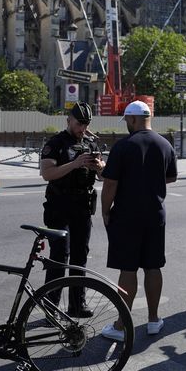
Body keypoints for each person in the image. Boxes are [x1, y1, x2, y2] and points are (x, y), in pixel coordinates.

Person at [98, 100, 177, 342]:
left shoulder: (123, 146)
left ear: (132, 119)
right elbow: (171, 178)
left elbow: (110, 183)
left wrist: (105, 210)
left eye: (127, 121)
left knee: (128, 269)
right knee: (153, 266)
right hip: (155, 214)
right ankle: (154, 320)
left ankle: (122, 326)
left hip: (127, 215)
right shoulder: (165, 144)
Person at [39, 101, 105, 316]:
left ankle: (77, 304)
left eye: (86, 124)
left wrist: (100, 167)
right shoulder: (56, 143)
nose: (82, 128)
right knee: (59, 257)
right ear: (69, 120)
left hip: (82, 207)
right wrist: (74, 164)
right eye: (79, 124)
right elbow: (47, 174)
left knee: (80, 256)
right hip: (59, 206)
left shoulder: (91, 143)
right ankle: (51, 308)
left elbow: (103, 176)